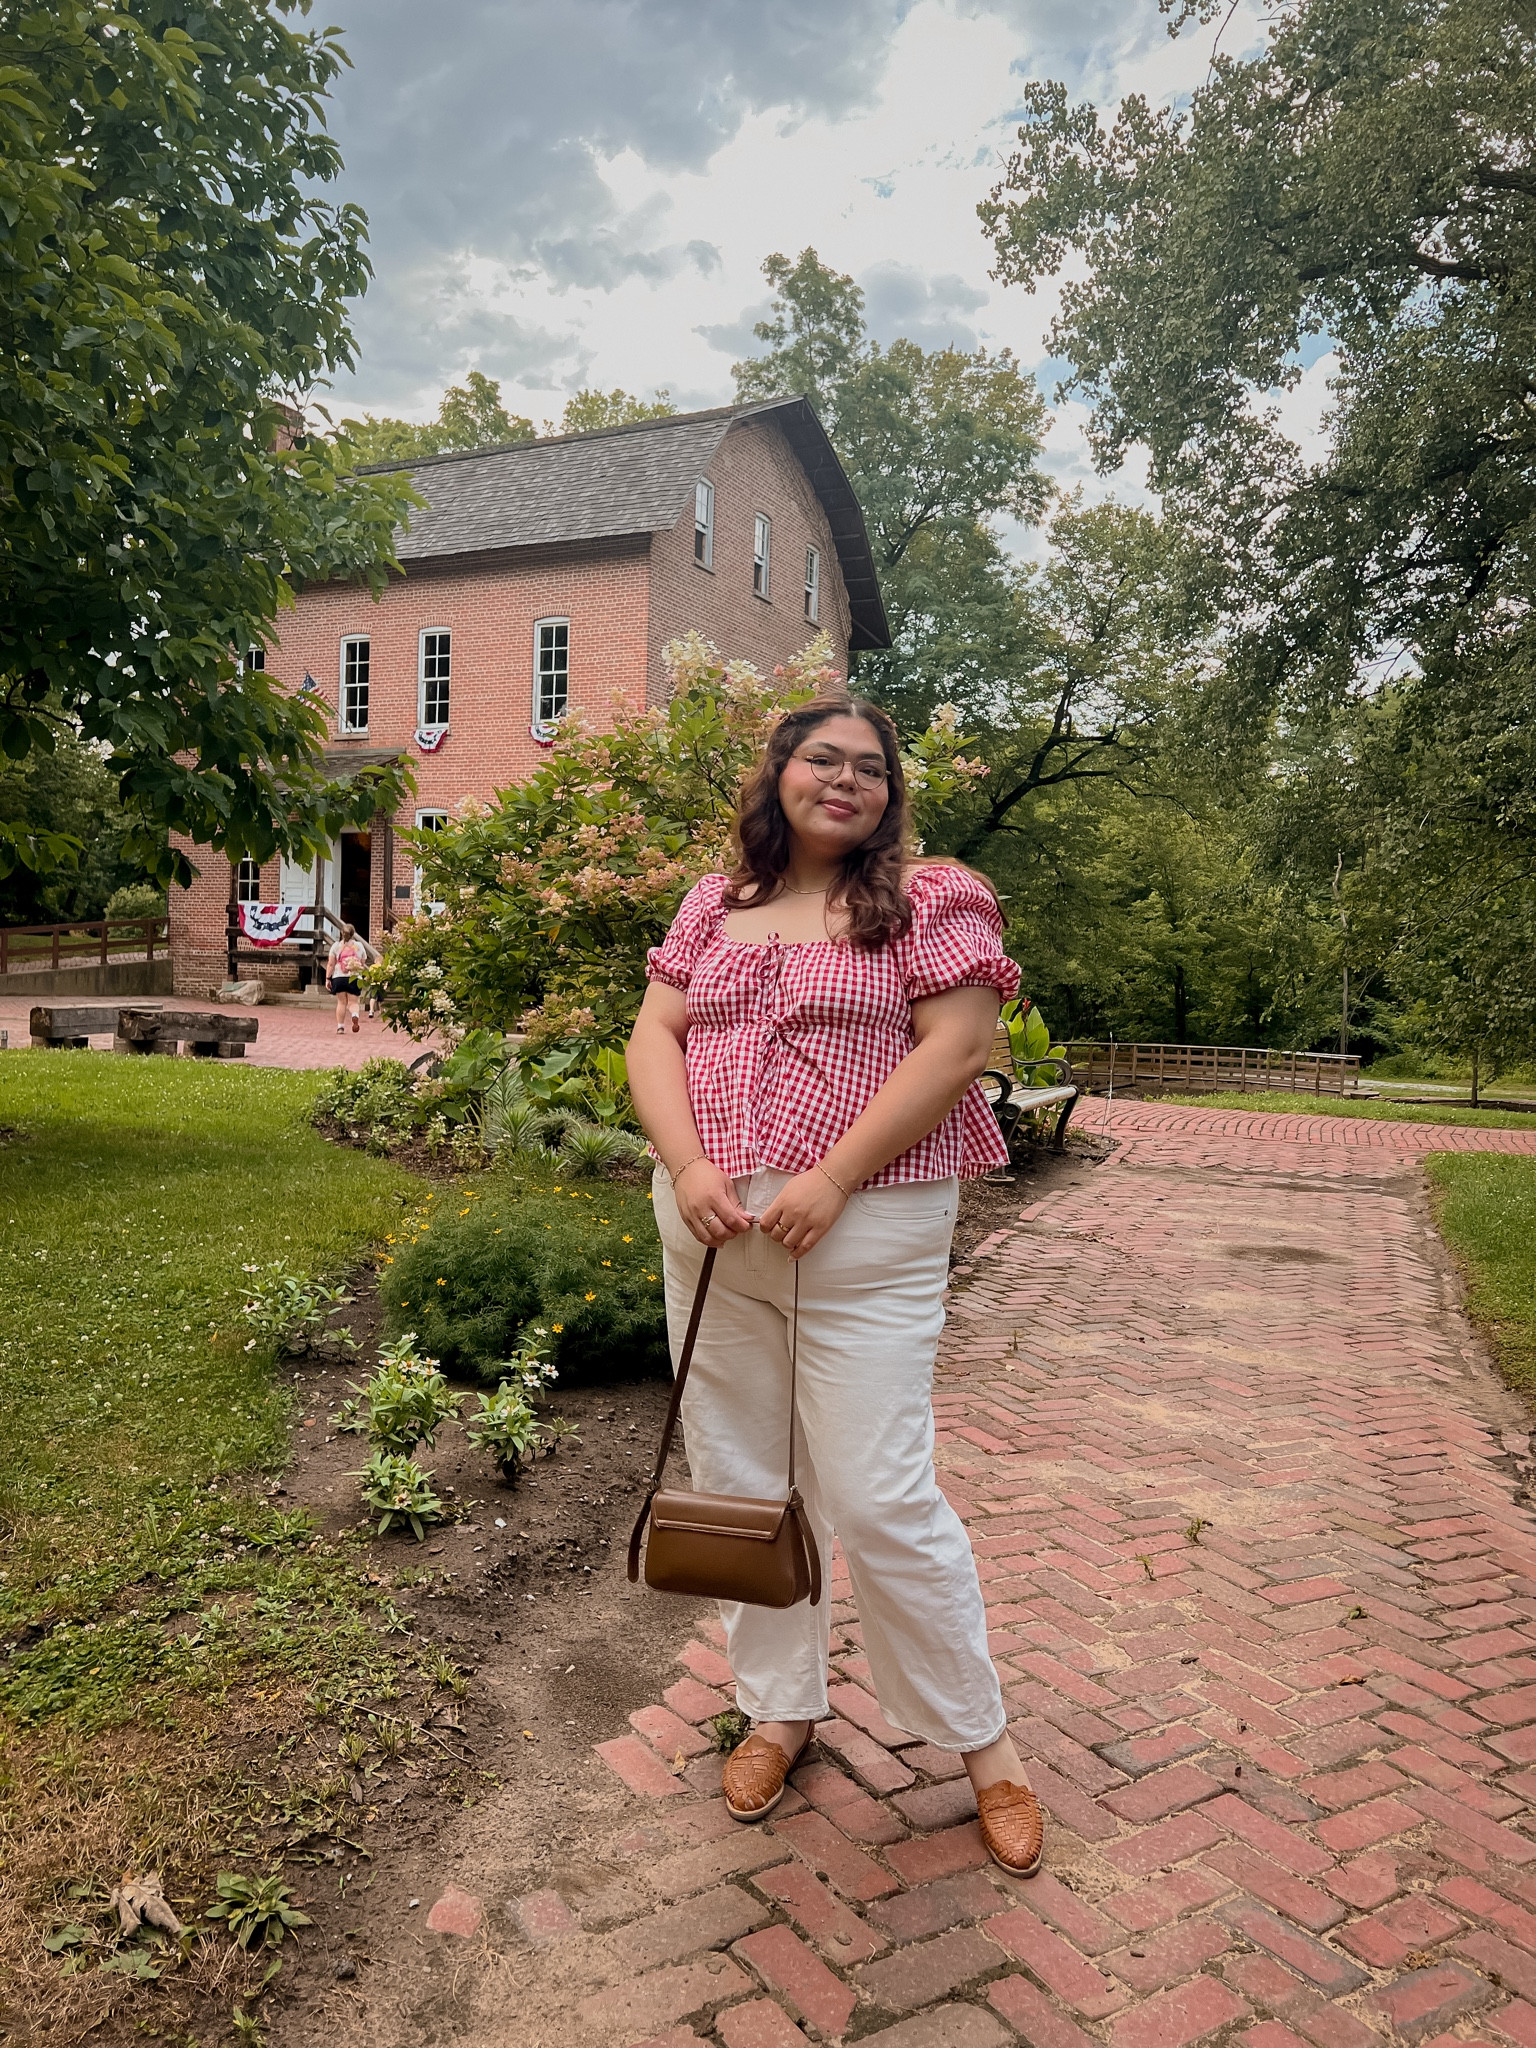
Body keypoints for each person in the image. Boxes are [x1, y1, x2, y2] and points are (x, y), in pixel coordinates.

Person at [625, 691, 1044, 1878]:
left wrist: (834, 1175)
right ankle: (780, 1708)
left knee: (877, 1496)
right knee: (742, 1475)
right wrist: (691, 1162)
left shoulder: (930, 898)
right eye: (823, 758)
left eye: (870, 766)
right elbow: (653, 1035)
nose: (845, 779)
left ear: (890, 794)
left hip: (863, 1231)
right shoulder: (716, 902)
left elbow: (959, 1046)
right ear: (781, 771)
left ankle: (986, 1746)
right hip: (712, 1228)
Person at [325, 923, 371, 1034]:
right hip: (354, 977)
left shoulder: (336, 946)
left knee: (341, 1003)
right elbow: (362, 962)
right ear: (353, 934)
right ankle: (355, 1015)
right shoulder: (359, 946)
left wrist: (328, 978)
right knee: (353, 1002)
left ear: (342, 933)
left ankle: (340, 1027)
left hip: (339, 977)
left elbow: (331, 964)